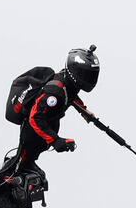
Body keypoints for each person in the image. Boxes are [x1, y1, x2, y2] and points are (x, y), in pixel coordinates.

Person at [12, 45, 100, 178]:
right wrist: (56, 140)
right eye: (85, 75)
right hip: (32, 130)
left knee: (31, 160)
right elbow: (35, 118)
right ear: (75, 72)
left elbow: (70, 96)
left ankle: (27, 165)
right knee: (18, 165)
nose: (89, 79)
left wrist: (84, 111)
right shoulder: (54, 93)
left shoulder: (68, 84)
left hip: (46, 127)